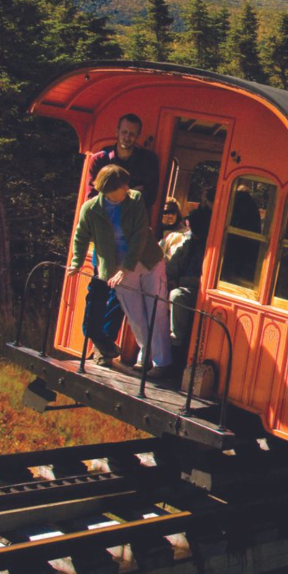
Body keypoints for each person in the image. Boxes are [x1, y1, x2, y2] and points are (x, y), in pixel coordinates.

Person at [68, 165, 174, 378]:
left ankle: (162, 362)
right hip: (116, 268)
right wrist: (76, 262)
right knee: (135, 315)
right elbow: (81, 236)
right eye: (123, 184)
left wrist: (126, 268)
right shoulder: (91, 209)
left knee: (157, 308)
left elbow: (140, 235)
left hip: (147, 261)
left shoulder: (135, 199)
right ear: (109, 188)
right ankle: (146, 355)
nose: (127, 187)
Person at [81, 114, 161, 362]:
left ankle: (105, 345)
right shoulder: (100, 159)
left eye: (133, 134)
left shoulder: (147, 162)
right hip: (104, 239)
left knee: (120, 292)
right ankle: (98, 339)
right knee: (98, 288)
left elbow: (150, 197)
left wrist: (125, 197)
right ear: (117, 130)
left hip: (130, 240)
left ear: (138, 135)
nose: (128, 137)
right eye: (124, 132)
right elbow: (91, 197)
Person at [167, 206, 212, 369]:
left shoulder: (211, 246)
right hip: (186, 286)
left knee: (177, 296)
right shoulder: (189, 243)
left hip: (200, 291)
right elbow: (173, 266)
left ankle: (175, 350)